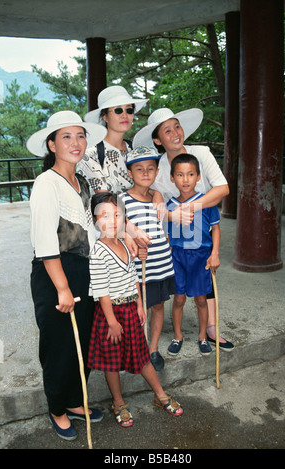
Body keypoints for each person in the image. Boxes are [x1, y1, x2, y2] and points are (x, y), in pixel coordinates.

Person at [27, 110, 107, 441]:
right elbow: (45, 241)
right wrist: (62, 288)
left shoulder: (82, 181)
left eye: (80, 136)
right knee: (60, 344)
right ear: (52, 144)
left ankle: (76, 400)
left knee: (84, 340)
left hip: (84, 269)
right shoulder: (46, 183)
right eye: (66, 137)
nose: (76, 143)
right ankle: (57, 408)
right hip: (56, 272)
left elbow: (92, 230)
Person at [133, 107, 234, 353]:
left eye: (177, 126)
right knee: (180, 289)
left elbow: (222, 189)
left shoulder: (201, 152)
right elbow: (151, 191)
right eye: (167, 130)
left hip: (203, 220)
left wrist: (191, 206)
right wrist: (159, 196)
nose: (176, 133)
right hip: (177, 233)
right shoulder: (158, 167)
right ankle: (179, 334)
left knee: (205, 283)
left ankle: (211, 329)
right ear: (158, 139)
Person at [87, 192, 183, 427]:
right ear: (94, 220)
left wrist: (140, 304)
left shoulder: (123, 242)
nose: (111, 220)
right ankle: (118, 402)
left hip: (130, 309)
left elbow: (133, 277)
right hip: (111, 314)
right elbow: (102, 291)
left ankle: (160, 395)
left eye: (117, 215)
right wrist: (111, 321)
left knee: (142, 357)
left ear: (124, 218)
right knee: (111, 361)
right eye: (105, 215)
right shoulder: (98, 252)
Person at [118, 146, 175, 371]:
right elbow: (115, 228)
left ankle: (153, 348)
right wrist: (132, 245)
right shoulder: (121, 199)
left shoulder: (159, 198)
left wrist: (159, 195)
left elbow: (166, 226)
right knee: (138, 309)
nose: (145, 173)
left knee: (158, 306)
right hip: (138, 266)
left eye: (150, 168)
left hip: (160, 263)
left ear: (156, 172)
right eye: (139, 169)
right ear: (130, 173)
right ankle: (137, 347)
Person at [166, 153, 221, 355]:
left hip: (201, 257)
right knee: (179, 299)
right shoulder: (169, 206)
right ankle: (178, 335)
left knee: (200, 300)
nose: (185, 179)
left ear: (198, 176)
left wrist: (214, 253)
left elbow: (215, 229)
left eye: (190, 174)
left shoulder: (207, 202)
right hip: (178, 257)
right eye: (180, 175)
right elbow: (169, 236)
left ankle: (202, 336)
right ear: (172, 178)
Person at [77, 85, 148, 194]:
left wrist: (154, 193)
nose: (125, 115)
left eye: (129, 110)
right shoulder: (91, 154)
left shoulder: (135, 151)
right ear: (104, 117)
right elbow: (103, 198)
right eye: (118, 110)